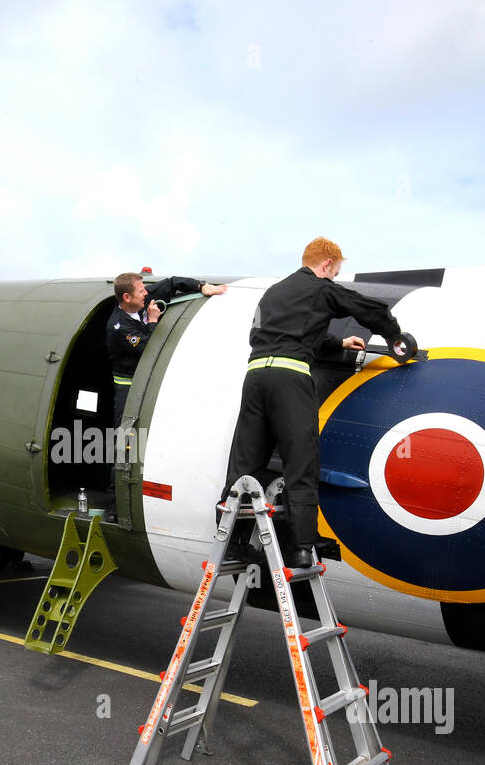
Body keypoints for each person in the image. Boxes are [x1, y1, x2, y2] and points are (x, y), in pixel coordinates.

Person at [221, 236, 402, 569]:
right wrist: (395, 335)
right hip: (289, 380)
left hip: (256, 376)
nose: (334, 277)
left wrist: (336, 343)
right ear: (327, 264)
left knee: (246, 461)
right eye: (335, 271)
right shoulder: (322, 288)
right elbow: (366, 308)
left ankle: (231, 542)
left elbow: (284, 333)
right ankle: (302, 545)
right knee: (301, 459)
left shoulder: (273, 293)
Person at [106, 272, 227, 428]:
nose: (146, 293)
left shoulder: (144, 297)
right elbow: (149, 348)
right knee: (125, 425)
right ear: (127, 297)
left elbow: (172, 283)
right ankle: (120, 451)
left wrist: (202, 286)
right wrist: (153, 320)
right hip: (128, 381)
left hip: (149, 374)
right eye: (141, 291)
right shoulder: (118, 327)